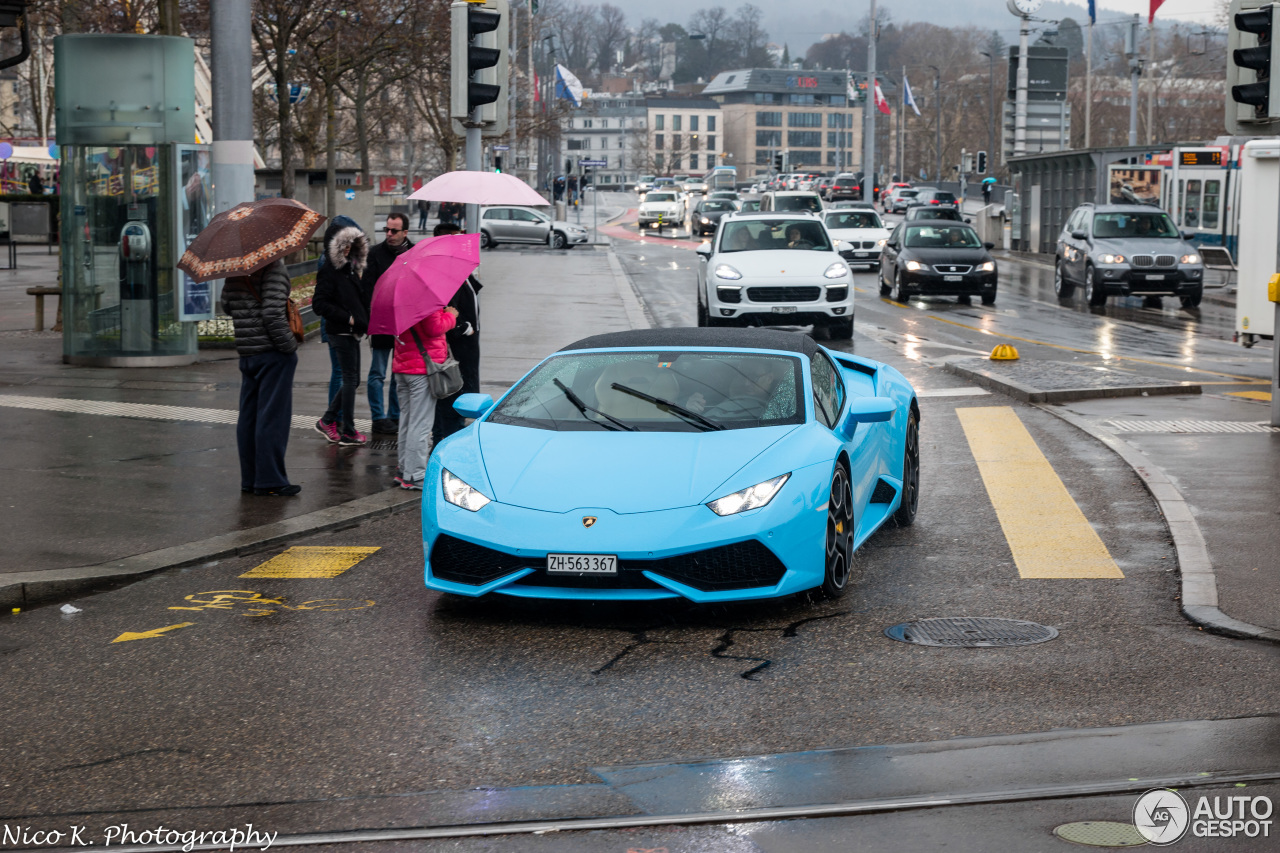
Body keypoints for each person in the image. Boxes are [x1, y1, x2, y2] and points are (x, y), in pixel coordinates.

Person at [222, 259, 301, 496]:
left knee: (249, 417)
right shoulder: (273, 267)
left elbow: (227, 305)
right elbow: (272, 314)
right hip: (272, 352)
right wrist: (289, 347)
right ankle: (271, 481)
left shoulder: (234, 269)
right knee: (272, 417)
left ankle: (251, 479)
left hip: (248, 352)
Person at [312, 219, 370, 446]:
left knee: (352, 380)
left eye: (351, 244)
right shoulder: (330, 271)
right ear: (335, 245)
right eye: (343, 244)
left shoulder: (349, 269)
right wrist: (349, 318)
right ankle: (347, 430)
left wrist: (362, 320)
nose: (347, 248)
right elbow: (319, 304)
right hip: (340, 331)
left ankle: (329, 420)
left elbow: (355, 300)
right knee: (349, 379)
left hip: (351, 332)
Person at [393, 304, 457, 490]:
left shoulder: (400, 301)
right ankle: (415, 475)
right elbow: (433, 328)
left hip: (402, 366)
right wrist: (450, 316)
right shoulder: (426, 300)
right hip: (421, 369)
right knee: (420, 424)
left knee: (406, 421)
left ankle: (404, 469)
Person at [430, 222, 483, 446]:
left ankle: (447, 439)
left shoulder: (457, 270)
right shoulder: (444, 274)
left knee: (457, 399)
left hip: (466, 350)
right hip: (456, 350)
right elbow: (446, 310)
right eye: (457, 238)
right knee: (453, 400)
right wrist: (465, 328)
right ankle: (447, 444)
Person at [361, 212, 411, 435]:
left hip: (405, 322)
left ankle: (395, 415)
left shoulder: (414, 252)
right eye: (387, 230)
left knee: (398, 372)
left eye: (394, 230)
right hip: (382, 321)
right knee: (378, 372)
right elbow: (367, 289)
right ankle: (378, 417)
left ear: (405, 233)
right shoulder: (375, 254)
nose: (389, 234)